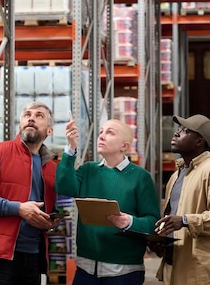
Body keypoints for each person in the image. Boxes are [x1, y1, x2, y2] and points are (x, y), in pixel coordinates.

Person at [0, 101, 64, 285]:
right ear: (21, 124)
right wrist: (19, 209)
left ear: (49, 131)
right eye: (27, 115)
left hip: (33, 256)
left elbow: (46, 209)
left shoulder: (51, 168)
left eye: (39, 115)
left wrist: (49, 221)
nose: (31, 118)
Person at [56, 119, 161, 285]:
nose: (101, 136)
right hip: (85, 268)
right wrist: (71, 148)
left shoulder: (140, 177)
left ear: (124, 146)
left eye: (110, 132)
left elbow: (153, 222)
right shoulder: (87, 170)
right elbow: (64, 187)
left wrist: (129, 221)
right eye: (100, 132)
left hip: (124, 271)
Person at [153, 114, 210, 285]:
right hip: (174, 263)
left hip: (199, 270)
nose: (176, 133)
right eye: (178, 129)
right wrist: (162, 239)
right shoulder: (176, 175)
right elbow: (172, 218)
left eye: (184, 131)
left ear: (199, 141)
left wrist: (185, 220)